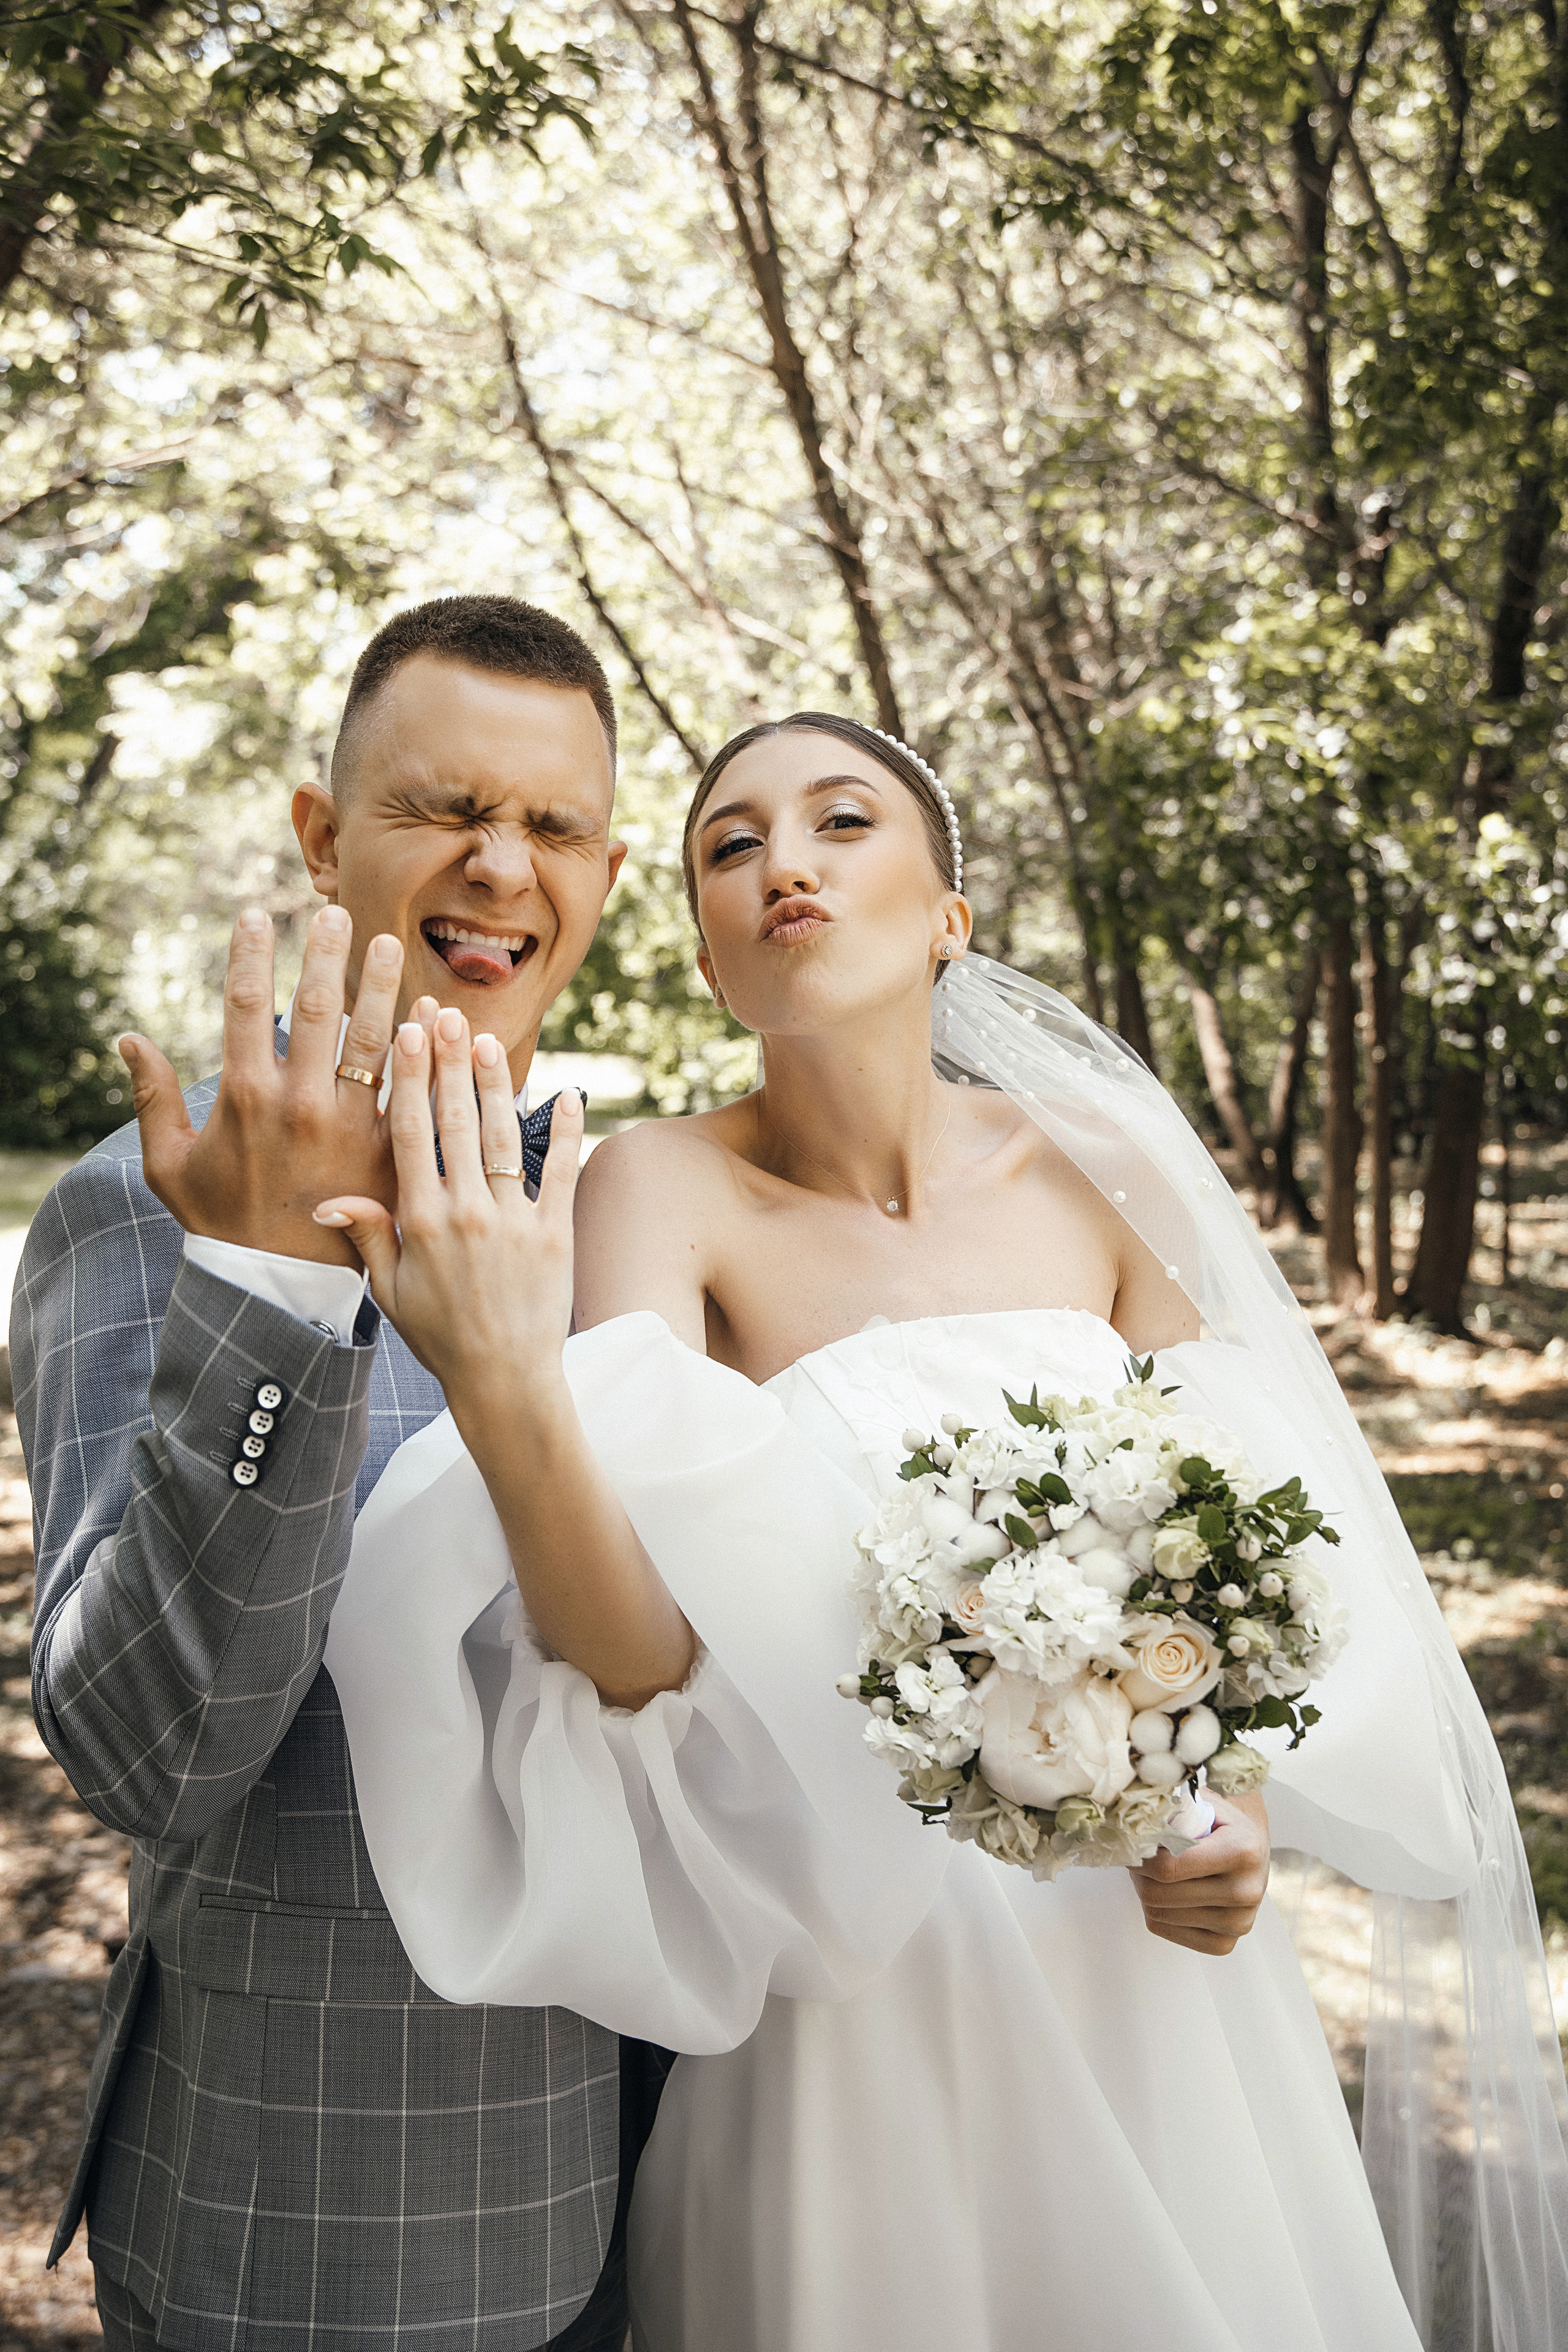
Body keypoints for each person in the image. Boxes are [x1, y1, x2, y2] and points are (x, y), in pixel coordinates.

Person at [317, 710, 1568, 2351]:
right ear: (705, 949)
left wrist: (1232, 1804)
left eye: (842, 822)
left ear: (952, 916)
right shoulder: (655, 1192)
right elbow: (626, 1648)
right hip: (859, 1976)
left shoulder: (1108, 1170)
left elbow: (1252, 1530)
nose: (786, 864)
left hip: (1146, 1953)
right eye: (731, 846)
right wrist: (500, 1387)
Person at [13, 594, 669, 2352]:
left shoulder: (650, 1215)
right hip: (336, 2215)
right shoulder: (134, 1205)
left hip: (713, 2176)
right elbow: (149, 1750)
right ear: (320, 836)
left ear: (607, 874)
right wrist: (281, 1285)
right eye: (440, 809)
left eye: (552, 827)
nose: (500, 868)